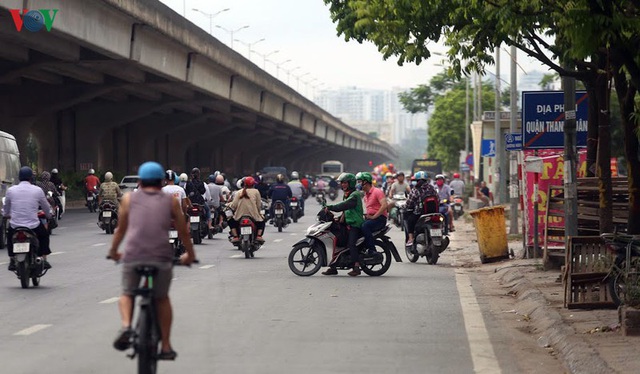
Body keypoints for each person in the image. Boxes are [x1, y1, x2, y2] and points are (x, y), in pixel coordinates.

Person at [108, 161, 196, 361]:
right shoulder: (170, 201)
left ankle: (126, 326)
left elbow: (120, 230)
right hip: (161, 257)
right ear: (162, 181)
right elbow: (183, 231)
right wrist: (190, 254)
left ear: (140, 181)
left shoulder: (129, 199)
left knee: (128, 293)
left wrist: (114, 252)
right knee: (162, 298)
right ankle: (165, 346)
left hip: (133, 256)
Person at [2, 167, 53, 270]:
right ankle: (44, 258)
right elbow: (46, 207)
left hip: (15, 225)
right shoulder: (37, 190)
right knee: (44, 235)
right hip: (33, 225)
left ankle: (12, 259)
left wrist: (6, 214)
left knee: (10, 237)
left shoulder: (11, 190)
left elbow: (6, 209)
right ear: (31, 178)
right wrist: (49, 215)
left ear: (19, 177)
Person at [322, 173, 364, 276]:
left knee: (351, 244)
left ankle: (356, 267)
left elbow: (344, 206)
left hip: (355, 224)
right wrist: (339, 218)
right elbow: (346, 211)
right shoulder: (348, 194)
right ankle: (333, 266)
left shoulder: (354, 195)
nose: (343, 185)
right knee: (335, 239)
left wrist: (330, 207)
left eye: (345, 183)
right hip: (347, 222)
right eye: (342, 183)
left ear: (351, 183)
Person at [356, 172, 388, 265]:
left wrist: (374, 216)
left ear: (365, 182)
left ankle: (372, 251)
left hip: (380, 219)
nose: (358, 184)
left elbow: (384, 205)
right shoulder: (366, 195)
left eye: (360, 181)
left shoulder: (377, 191)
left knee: (365, 226)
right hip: (372, 219)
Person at [404, 171, 438, 247]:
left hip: (419, 214)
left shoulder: (415, 190)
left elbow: (409, 203)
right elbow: (438, 199)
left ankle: (410, 239)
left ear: (418, 181)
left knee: (410, 221)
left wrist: (405, 207)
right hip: (433, 213)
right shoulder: (432, 188)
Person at [228, 176, 265, 243]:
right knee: (262, 222)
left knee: (230, 221)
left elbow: (234, 205)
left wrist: (228, 206)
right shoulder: (256, 191)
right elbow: (259, 205)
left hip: (239, 216)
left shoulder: (239, 192)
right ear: (253, 184)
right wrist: (259, 213)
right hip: (253, 215)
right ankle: (259, 236)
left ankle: (235, 236)